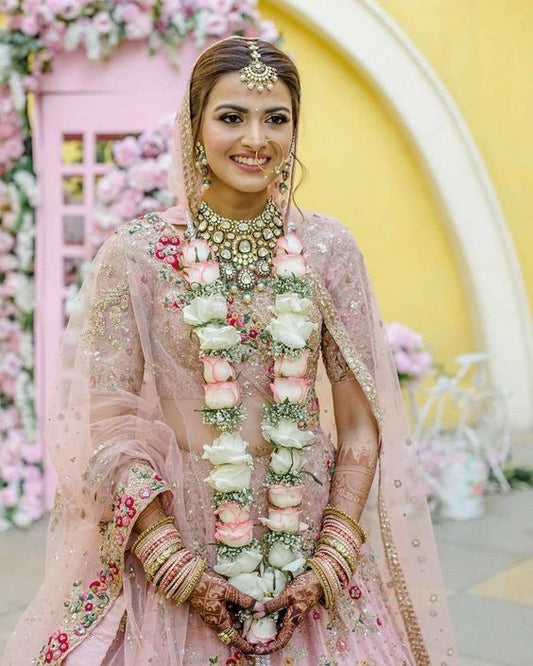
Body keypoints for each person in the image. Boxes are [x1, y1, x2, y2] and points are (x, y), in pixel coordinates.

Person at [2, 37, 457, 666]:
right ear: (195, 125)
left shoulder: (328, 250)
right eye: (231, 116)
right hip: (175, 533)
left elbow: (358, 428)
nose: (256, 139)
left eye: (276, 118)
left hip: (309, 537)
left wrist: (332, 557)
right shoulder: (139, 255)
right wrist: (172, 563)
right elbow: (103, 428)